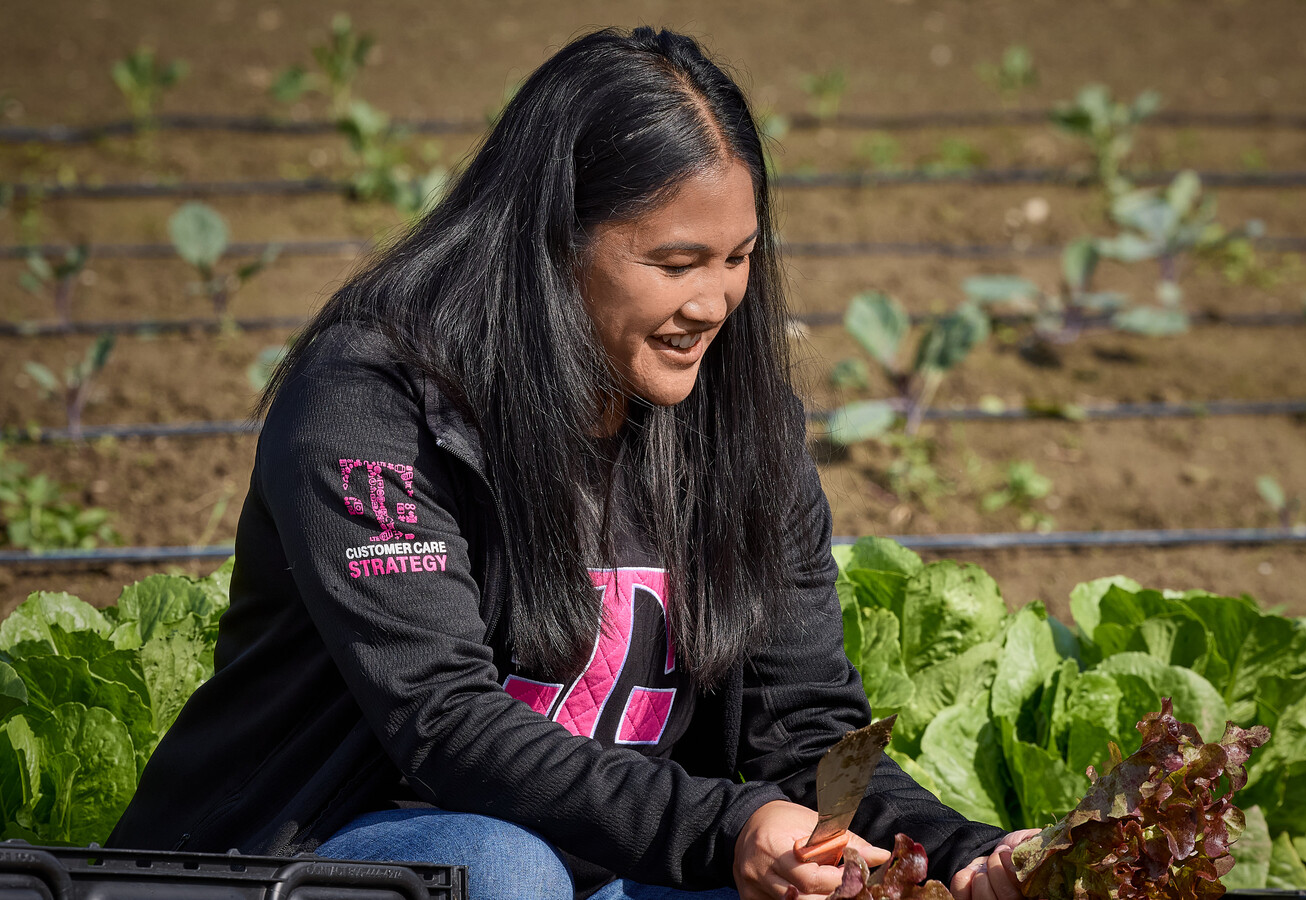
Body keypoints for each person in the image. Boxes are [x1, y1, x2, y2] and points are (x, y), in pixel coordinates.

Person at [106, 26, 1038, 900]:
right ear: (551, 242)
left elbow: (806, 729)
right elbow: (444, 721)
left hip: (604, 871)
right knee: (499, 867)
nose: (716, 302)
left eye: (739, 258)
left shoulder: (739, 422)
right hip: (316, 857)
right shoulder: (372, 403)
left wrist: (961, 850)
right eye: (675, 264)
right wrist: (731, 822)